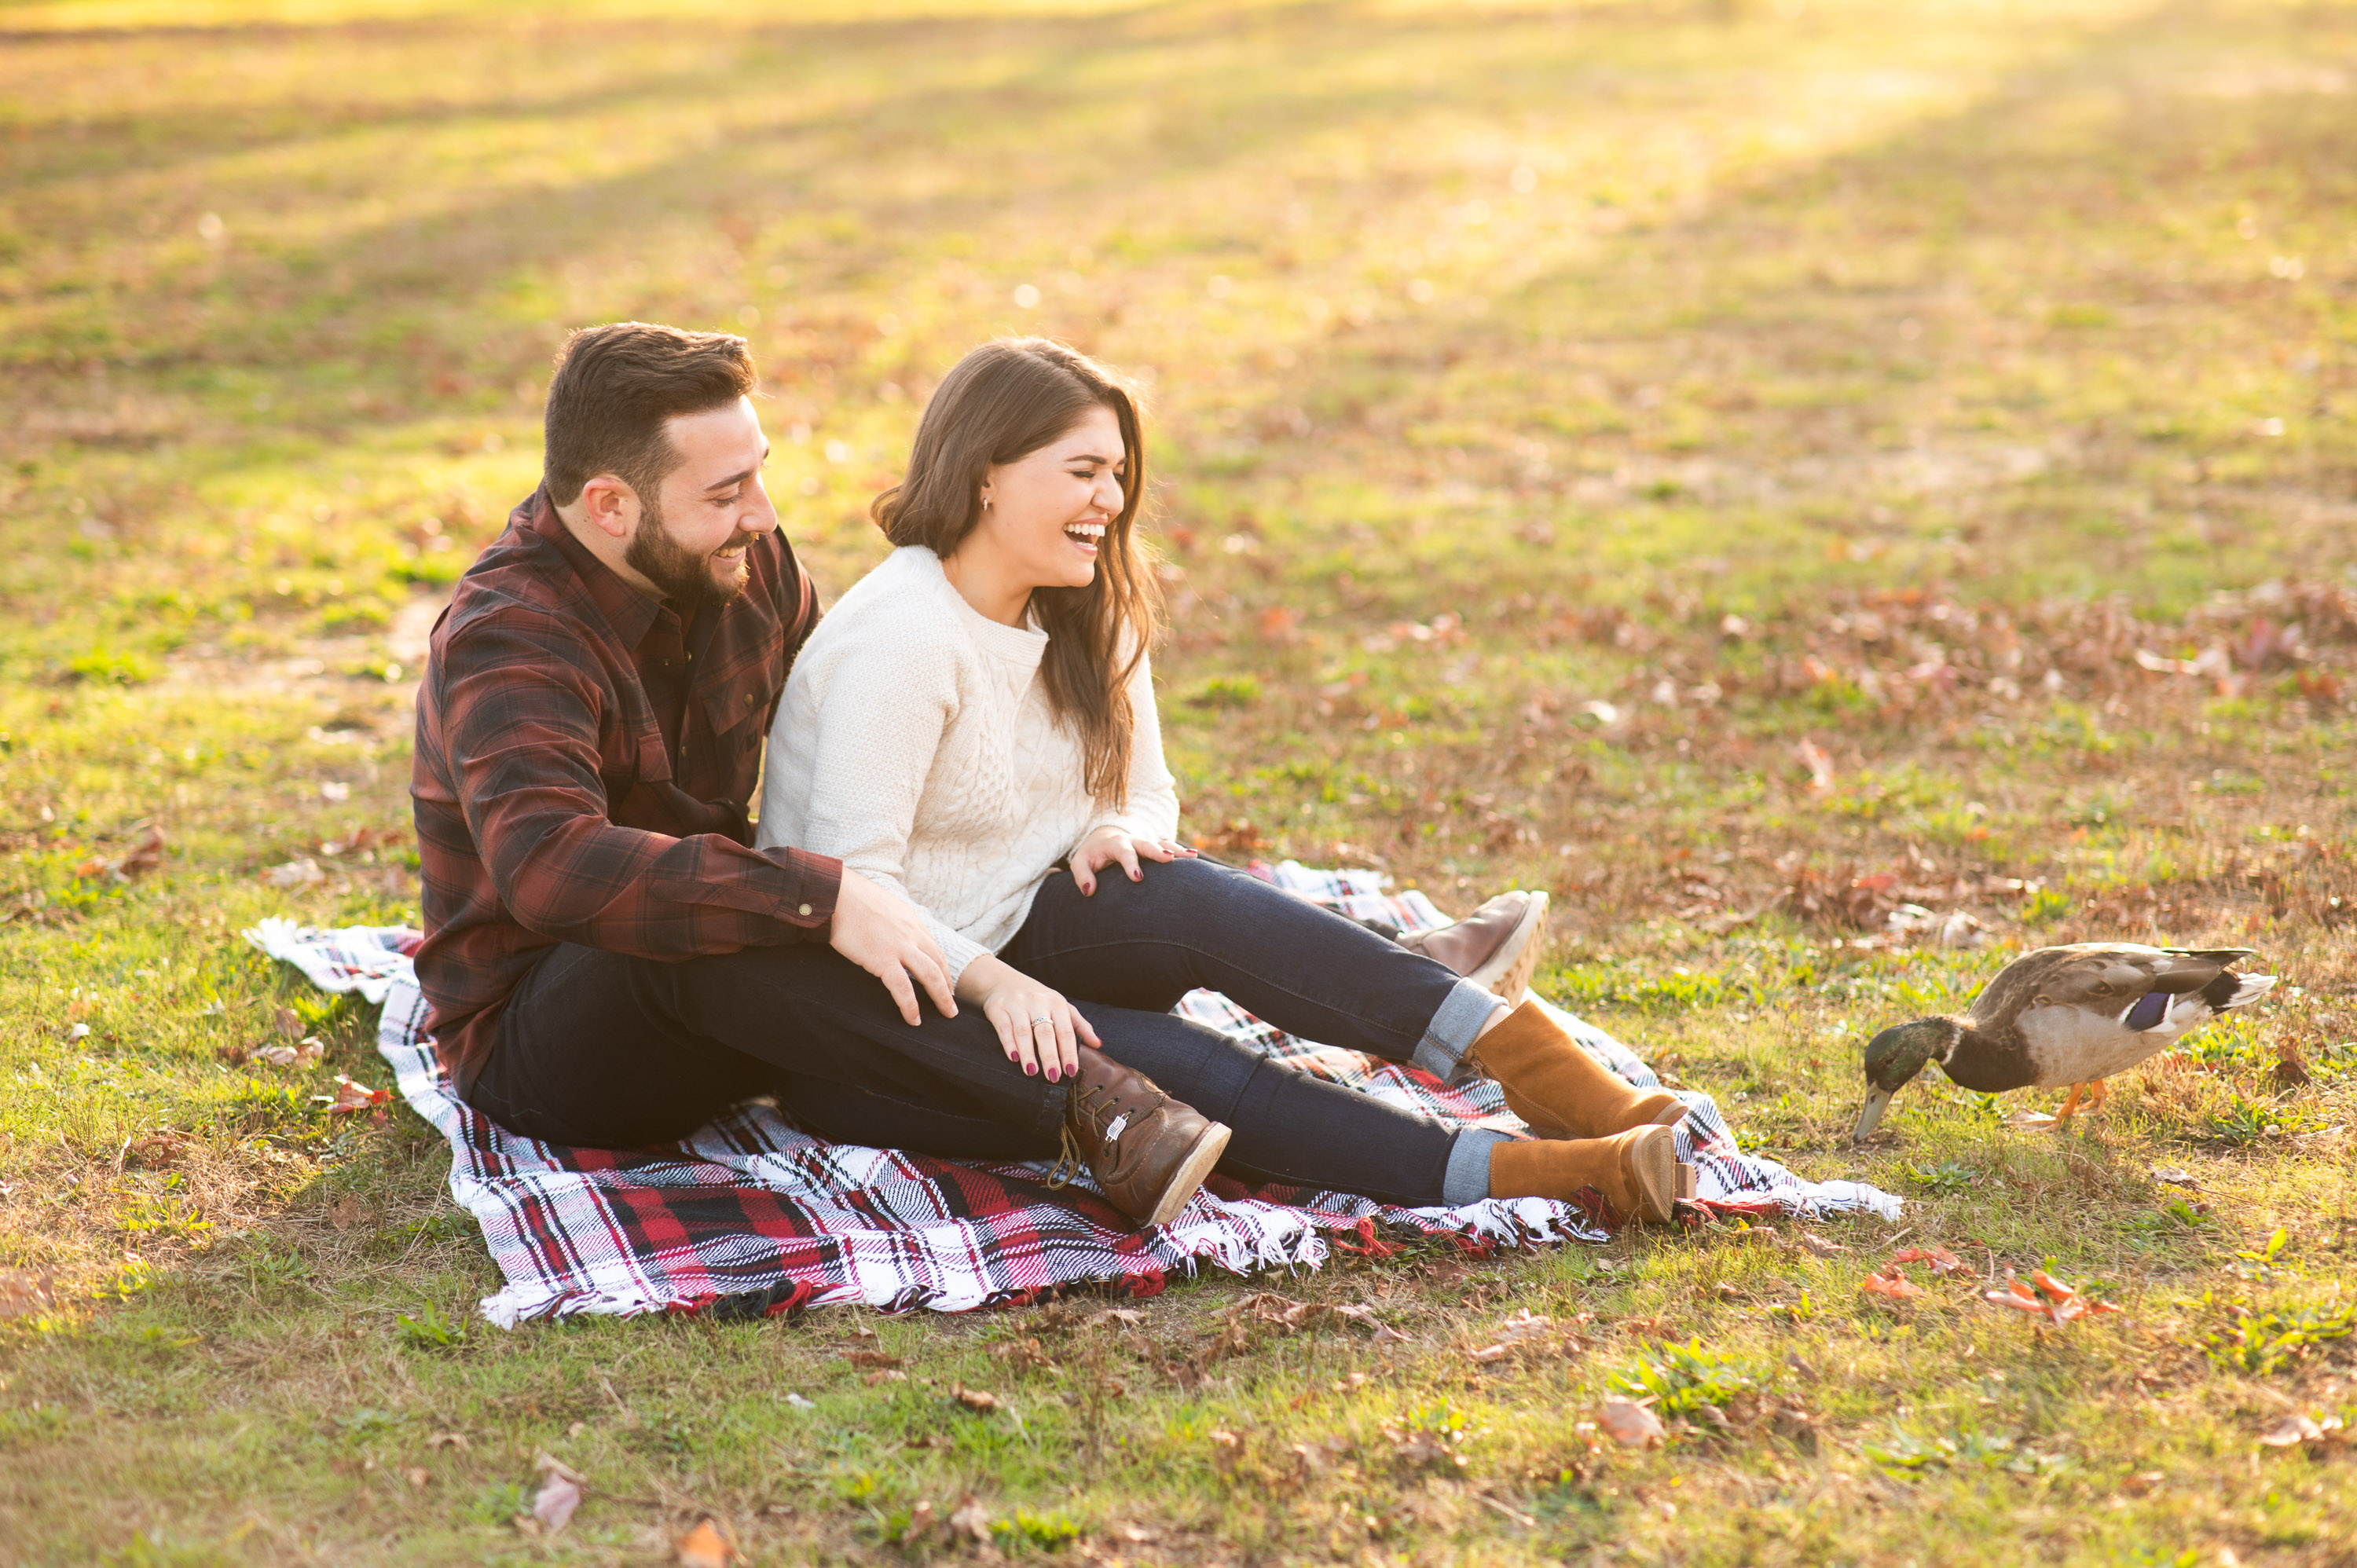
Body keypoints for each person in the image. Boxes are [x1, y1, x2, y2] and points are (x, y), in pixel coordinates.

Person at [410, 320, 1554, 1230]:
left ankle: (1393, 1011)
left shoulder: (743, 569)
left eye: (757, 476)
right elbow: (552, 869)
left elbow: (856, 733)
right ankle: (1093, 1107)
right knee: (732, 920)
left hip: (766, 1005)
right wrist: (834, 898)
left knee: (848, 909)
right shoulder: (512, 634)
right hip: (559, 1041)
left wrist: (1020, 847)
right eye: (724, 494)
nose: (760, 517)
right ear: (609, 506)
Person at [760, 338, 1699, 1226]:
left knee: (1173, 890)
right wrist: (1000, 985)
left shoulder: (1088, 602)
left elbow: (1146, 791)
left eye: (1120, 473)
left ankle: (1569, 1087)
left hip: (1006, 936)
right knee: (1168, 1061)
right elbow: (852, 890)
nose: (1111, 500)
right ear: (986, 475)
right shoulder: (903, 637)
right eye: (1083, 472)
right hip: (883, 1021)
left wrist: (1118, 825)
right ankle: (1535, 1172)